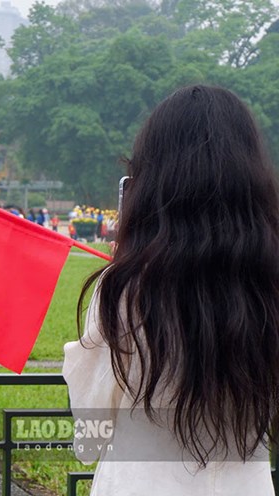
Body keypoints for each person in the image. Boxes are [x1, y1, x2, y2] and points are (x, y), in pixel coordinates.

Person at [64, 85, 279, 495]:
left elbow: (89, 438)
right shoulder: (269, 285)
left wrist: (88, 343)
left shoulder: (123, 291)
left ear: (151, 182)